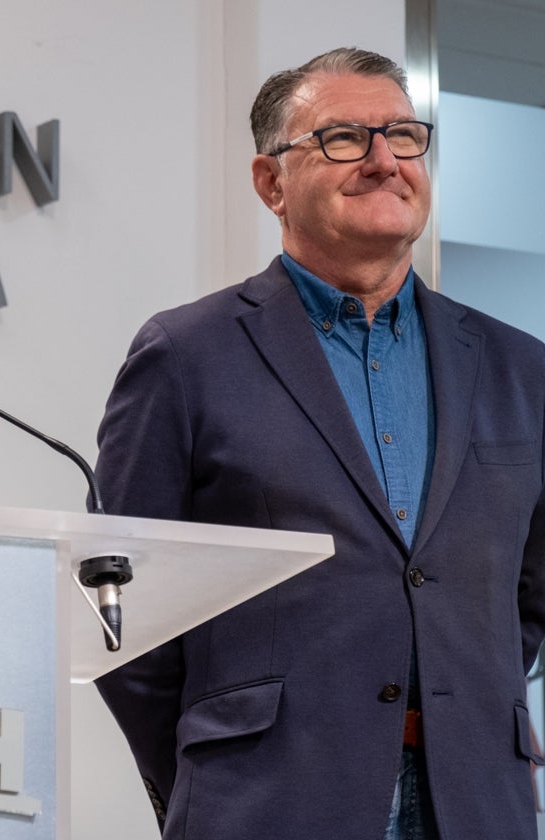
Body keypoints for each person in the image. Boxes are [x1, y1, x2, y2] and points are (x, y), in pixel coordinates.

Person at [93, 47, 545, 839]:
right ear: (272, 183)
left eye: (404, 136)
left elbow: (531, 593)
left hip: (476, 797)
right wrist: (216, 768)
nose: (383, 161)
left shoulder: (520, 366)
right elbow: (122, 605)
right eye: (343, 138)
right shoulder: (186, 354)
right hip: (269, 799)